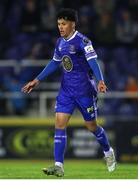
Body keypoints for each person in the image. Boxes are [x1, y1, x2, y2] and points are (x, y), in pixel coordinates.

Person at [22, 8, 116, 177]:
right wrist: (36, 80)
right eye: (59, 24)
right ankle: (59, 166)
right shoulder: (60, 42)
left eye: (64, 24)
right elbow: (54, 63)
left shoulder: (83, 41)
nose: (61, 27)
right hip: (66, 91)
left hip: (85, 91)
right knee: (59, 124)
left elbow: (93, 61)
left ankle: (108, 152)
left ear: (73, 24)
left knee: (91, 126)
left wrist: (101, 80)